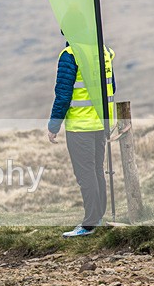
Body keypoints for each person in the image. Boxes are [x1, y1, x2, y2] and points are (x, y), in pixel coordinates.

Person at [47, 39, 116, 237]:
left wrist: (54, 125)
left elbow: (63, 94)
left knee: (86, 174)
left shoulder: (70, 54)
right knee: (96, 171)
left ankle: (90, 224)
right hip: (101, 122)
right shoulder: (104, 51)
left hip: (80, 126)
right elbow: (112, 87)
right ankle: (98, 218)